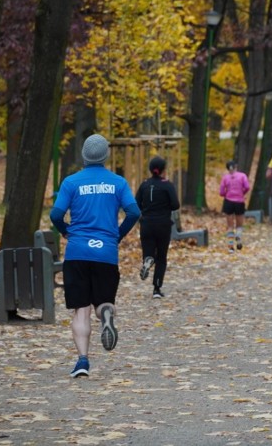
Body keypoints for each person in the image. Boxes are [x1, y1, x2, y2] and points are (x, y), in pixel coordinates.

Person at [49, 133, 141, 378]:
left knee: (81, 309)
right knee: (103, 302)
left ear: (83, 155)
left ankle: (82, 361)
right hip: (106, 253)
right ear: (106, 156)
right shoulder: (118, 182)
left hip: (77, 251)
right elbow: (133, 212)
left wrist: (66, 232)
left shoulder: (71, 182)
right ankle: (107, 314)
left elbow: (55, 215)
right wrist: (117, 235)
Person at [136, 156, 180, 299]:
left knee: (148, 251)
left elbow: (136, 203)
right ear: (163, 170)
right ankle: (156, 288)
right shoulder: (167, 185)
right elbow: (175, 205)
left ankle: (148, 260)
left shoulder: (144, 184)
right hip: (163, 225)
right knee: (161, 257)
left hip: (147, 224)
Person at [219, 160, 250, 253]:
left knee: (230, 226)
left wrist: (226, 194)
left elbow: (221, 192)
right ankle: (239, 237)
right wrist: (242, 193)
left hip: (228, 202)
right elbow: (247, 187)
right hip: (240, 202)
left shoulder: (225, 178)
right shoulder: (242, 176)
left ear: (227, 168)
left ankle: (231, 247)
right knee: (239, 224)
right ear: (236, 166)